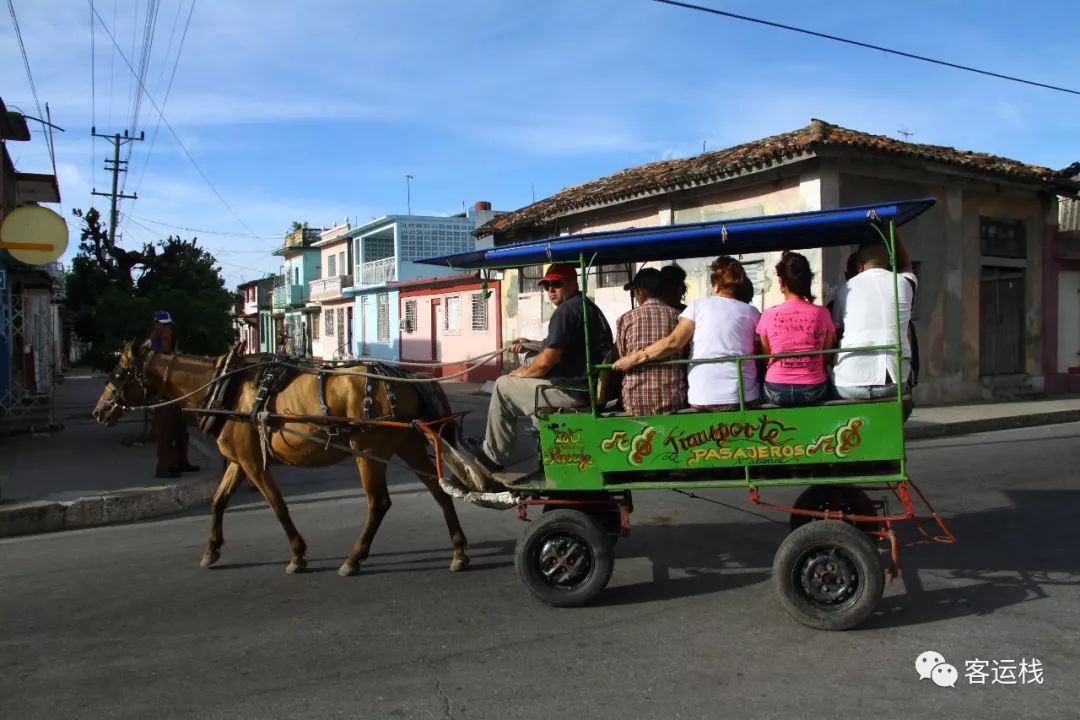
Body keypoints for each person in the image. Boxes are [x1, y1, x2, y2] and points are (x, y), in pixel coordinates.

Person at [473, 263, 613, 473]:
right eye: (546, 285)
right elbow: (562, 346)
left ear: (573, 283)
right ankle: (536, 432)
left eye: (556, 284)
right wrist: (532, 343)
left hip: (572, 392)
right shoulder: (586, 307)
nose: (550, 290)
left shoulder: (566, 312)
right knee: (530, 358)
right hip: (586, 386)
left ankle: (494, 455)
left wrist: (518, 374)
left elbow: (546, 361)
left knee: (503, 385)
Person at [614, 257, 760, 411]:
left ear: (716, 286)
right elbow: (760, 354)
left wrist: (633, 358)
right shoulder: (753, 312)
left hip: (704, 397)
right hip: (745, 397)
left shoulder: (698, 306)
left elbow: (674, 342)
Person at [832, 233, 917, 405]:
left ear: (859, 266)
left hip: (849, 384)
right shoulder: (904, 283)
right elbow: (906, 264)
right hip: (892, 383)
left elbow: (836, 331)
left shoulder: (844, 289)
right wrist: (888, 228)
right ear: (889, 263)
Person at [756, 251, 836, 406]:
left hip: (776, 390)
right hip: (813, 389)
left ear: (781, 282)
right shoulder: (822, 313)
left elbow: (766, 357)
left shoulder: (768, 315)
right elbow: (826, 355)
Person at [615, 267, 687, 415]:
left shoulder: (625, 319)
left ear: (641, 292)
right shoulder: (679, 317)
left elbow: (623, 356)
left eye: (635, 292)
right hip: (673, 401)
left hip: (634, 404)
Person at [142, 310, 200, 479]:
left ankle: (181, 462)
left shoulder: (166, 341)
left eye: (169, 325)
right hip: (162, 394)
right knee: (166, 433)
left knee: (181, 431)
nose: (168, 328)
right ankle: (164, 467)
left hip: (174, 394)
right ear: (156, 325)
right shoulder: (151, 344)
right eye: (165, 325)